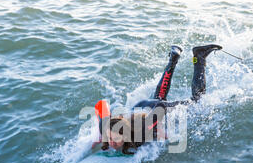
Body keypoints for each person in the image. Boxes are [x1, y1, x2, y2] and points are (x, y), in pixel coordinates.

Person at [93, 44, 222, 154]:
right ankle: (173, 58)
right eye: (110, 138)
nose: (111, 142)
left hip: (155, 109)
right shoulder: (106, 127)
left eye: (115, 140)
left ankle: (199, 57)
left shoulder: (141, 133)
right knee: (158, 98)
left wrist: (160, 130)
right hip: (143, 106)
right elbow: (101, 104)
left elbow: (161, 108)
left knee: (197, 101)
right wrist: (101, 135)